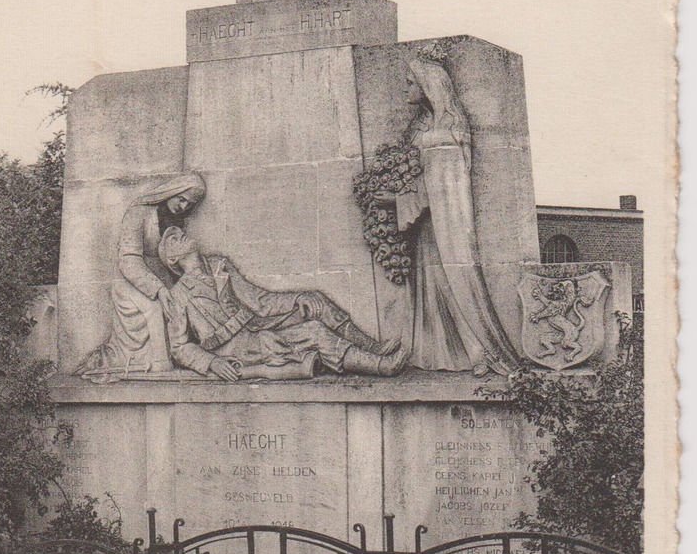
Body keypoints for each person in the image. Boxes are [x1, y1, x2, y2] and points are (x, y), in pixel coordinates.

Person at [378, 48, 519, 375]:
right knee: (432, 286)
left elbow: (442, 185)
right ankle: (435, 351)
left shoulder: (449, 127)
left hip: (447, 223)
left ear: (429, 85)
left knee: (454, 281)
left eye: (411, 83)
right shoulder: (421, 126)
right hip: (424, 226)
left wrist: (399, 200)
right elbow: (415, 171)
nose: (407, 89)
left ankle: (479, 351)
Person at [157, 226, 407, 380]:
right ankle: (380, 366)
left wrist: (297, 299)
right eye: (174, 239)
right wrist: (212, 362)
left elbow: (259, 300)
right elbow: (179, 347)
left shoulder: (219, 264)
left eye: (180, 233)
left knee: (314, 301)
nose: (182, 236)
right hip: (235, 347)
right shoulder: (178, 294)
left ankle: (371, 346)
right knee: (315, 332)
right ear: (172, 259)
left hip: (255, 326)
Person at [75, 172, 206, 381]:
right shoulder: (138, 212)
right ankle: (158, 366)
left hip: (161, 279)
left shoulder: (175, 221)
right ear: (173, 190)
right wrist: (159, 290)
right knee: (153, 308)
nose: (183, 206)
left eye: (188, 204)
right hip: (130, 280)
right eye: (181, 199)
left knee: (182, 309)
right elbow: (128, 259)